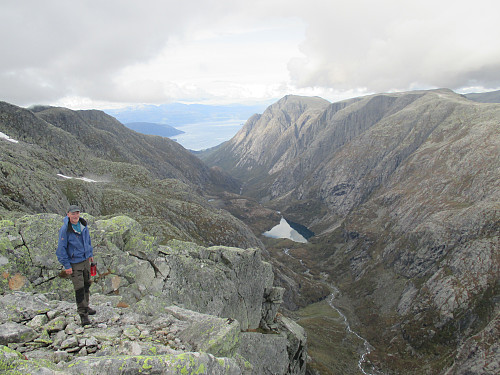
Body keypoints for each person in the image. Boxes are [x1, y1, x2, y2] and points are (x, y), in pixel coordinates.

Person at [56, 205, 96, 326]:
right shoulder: (65, 229)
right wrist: (67, 266)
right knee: (79, 289)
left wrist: (90, 254)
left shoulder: (83, 225)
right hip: (74, 264)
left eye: (77, 213)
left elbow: (87, 240)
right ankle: (83, 315)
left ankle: (86, 306)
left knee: (87, 285)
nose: (75, 216)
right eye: (73, 214)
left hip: (85, 261)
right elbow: (61, 249)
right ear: (68, 214)